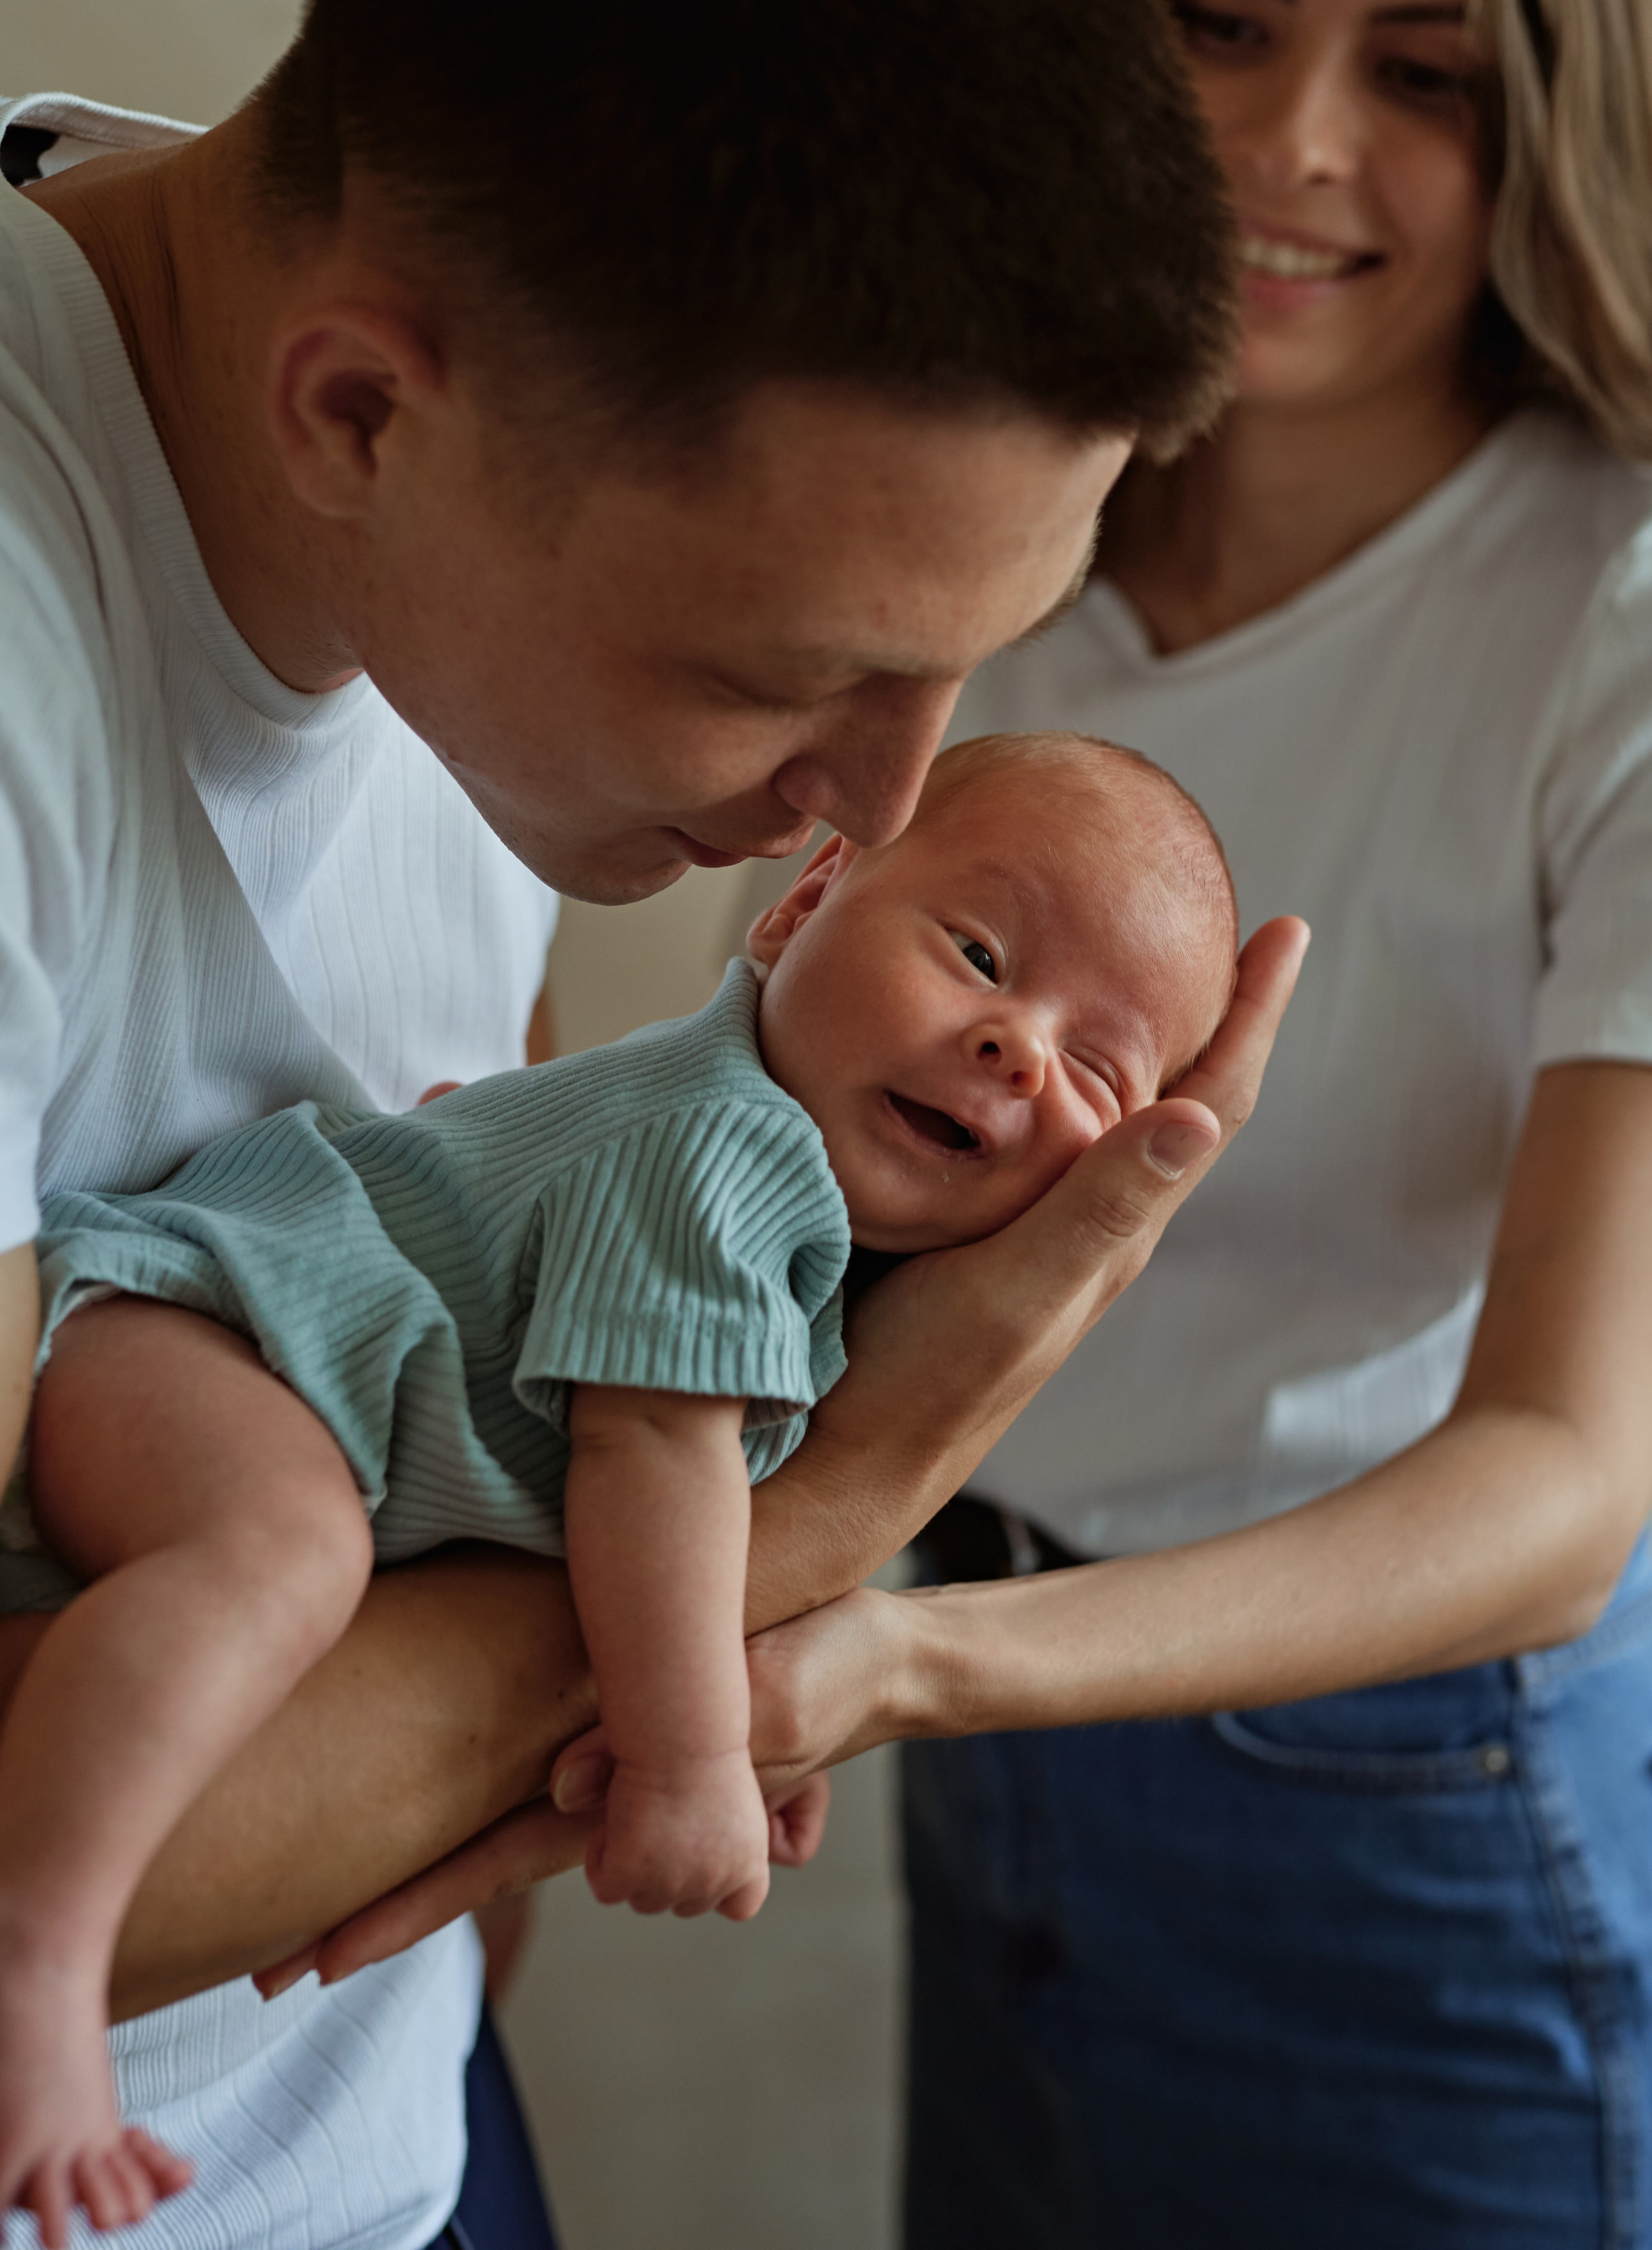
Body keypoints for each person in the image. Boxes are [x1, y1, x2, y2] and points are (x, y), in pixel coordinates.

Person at [0, 0, 1306, 2250]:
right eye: (799, 673)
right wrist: (849, 1500)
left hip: (408, 2121)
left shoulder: (488, 518)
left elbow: (477, 1210)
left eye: (962, 672)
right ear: (360, 409)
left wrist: (485, 1929)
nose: (875, 814)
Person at [480, 0, 1652, 2247]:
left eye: (1427, 70)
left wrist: (896, 1652)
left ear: (1560, 114)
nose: (1293, 146)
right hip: (961, 1715)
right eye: (1227, 24)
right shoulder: (973, 518)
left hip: (1421, 1810)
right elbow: (741, 1122)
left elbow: (1555, 1477)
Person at [2, 732, 1236, 2239]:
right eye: (977, 954)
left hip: (231, 1366)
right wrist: (687, 1754)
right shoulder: (731, 1157)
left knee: (269, 1589)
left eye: (1094, 1071)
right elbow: (649, 1459)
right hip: (201, 1335)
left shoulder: (778, 1197)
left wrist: (726, 1712)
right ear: (803, 905)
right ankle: (42, 1961)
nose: (1015, 1047)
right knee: (278, 1557)